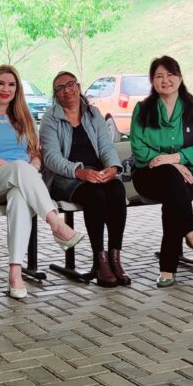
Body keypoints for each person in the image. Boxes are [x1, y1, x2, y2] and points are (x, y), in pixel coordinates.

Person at [0, 65, 84, 299]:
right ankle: (56, 224)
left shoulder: (24, 118)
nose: (6, 89)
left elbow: (36, 155)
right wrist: (20, 169)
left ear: (17, 89)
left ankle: (15, 273)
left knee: (20, 196)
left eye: (11, 84)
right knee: (20, 168)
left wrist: (32, 169)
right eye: (1, 83)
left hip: (21, 182)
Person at [40, 71, 129, 287]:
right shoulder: (50, 119)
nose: (67, 90)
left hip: (95, 173)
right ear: (56, 94)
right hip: (65, 177)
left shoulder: (93, 113)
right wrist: (79, 172)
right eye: (60, 88)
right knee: (95, 195)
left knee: (117, 190)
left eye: (71, 84)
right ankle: (100, 261)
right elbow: (51, 158)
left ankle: (115, 258)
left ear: (78, 87)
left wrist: (112, 168)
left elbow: (106, 146)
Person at [130, 55, 193, 287]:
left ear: (180, 77)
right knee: (170, 178)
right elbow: (138, 148)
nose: (165, 80)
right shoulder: (143, 109)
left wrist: (175, 158)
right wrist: (173, 164)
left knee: (173, 196)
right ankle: (191, 231)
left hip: (188, 177)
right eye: (159, 76)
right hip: (148, 176)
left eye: (170, 74)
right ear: (152, 81)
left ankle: (168, 269)